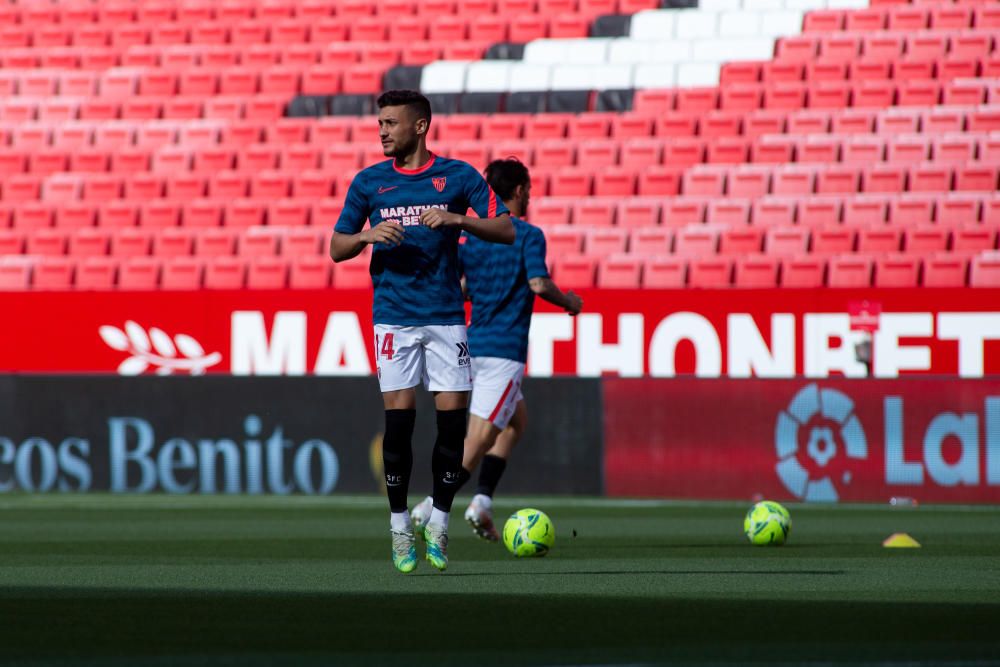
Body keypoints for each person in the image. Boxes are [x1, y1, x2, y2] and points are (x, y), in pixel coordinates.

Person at [330, 90, 514, 573]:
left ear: (420, 126)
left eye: (391, 122)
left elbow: (505, 227)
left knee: (452, 429)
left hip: (445, 317)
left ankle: (438, 520)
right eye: (380, 123)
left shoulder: (457, 177)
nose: (382, 131)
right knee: (400, 426)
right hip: (393, 317)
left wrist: (456, 218)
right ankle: (397, 527)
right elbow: (336, 246)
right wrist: (366, 236)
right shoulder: (369, 183)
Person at [411, 158, 582, 541]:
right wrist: (569, 301)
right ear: (520, 191)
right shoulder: (527, 235)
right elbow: (538, 284)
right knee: (481, 438)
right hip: (503, 353)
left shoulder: (472, 239)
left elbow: (461, 288)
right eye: (529, 190)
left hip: (470, 345)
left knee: (515, 422)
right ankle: (429, 507)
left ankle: (482, 501)